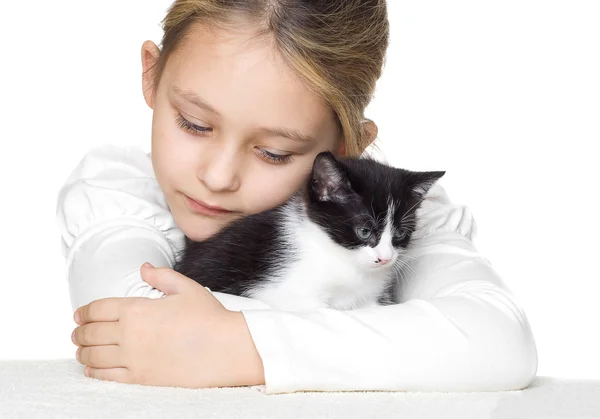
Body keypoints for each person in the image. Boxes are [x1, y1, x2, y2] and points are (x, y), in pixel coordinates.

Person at [57, 0, 538, 394]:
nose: (219, 176)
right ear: (151, 76)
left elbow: (499, 343)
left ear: (345, 151)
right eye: (194, 124)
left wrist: (237, 345)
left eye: (273, 152)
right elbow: (135, 324)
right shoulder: (118, 190)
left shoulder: (405, 215)